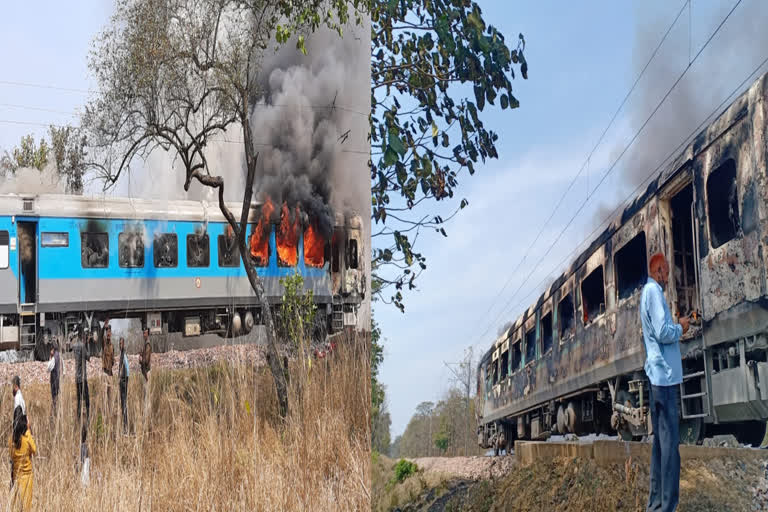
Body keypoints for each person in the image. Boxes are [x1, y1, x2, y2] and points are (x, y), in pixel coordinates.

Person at [640, 252, 690, 512]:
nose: (668, 278)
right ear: (658, 270)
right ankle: (667, 507)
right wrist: (681, 326)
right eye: (667, 273)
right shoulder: (653, 292)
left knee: (660, 448)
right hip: (665, 379)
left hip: (659, 377)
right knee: (670, 449)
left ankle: (656, 506)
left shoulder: (646, 293)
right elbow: (662, 332)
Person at [9, 406, 35, 511]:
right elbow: (34, 450)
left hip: (16, 477)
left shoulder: (11, 439)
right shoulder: (26, 437)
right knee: (26, 508)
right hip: (27, 477)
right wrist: (28, 430)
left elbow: (11, 457)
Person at [73, 328, 90, 426]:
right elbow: (88, 357)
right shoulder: (83, 346)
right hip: (83, 378)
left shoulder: (75, 346)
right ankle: (87, 419)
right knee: (87, 400)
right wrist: (87, 343)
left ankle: (78, 419)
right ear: (82, 335)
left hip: (77, 377)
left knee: (79, 400)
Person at [102, 323, 115, 409]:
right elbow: (100, 335)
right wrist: (104, 327)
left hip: (110, 373)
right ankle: (105, 413)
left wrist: (112, 363)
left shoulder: (112, 346)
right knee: (104, 396)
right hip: (105, 373)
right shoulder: (104, 344)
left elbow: (113, 359)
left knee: (110, 395)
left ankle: (110, 413)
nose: (108, 334)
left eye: (109, 332)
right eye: (107, 332)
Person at [118, 337, 130, 432]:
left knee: (124, 403)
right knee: (123, 403)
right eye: (119, 343)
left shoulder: (123, 354)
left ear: (124, 344)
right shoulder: (121, 354)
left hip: (123, 381)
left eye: (121, 343)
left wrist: (125, 381)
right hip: (122, 381)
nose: (120, 345)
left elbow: (127, 369)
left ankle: (125, 426)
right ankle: (124, 425)